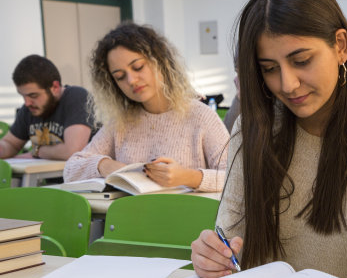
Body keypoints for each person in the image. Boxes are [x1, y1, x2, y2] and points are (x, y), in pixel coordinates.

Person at [191, 0, 347, 278]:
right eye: (269, 69)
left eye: (302, 60)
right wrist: (212, 257)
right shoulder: (255, 128)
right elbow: (231, 243)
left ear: (340, 46)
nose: (287, 84)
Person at [63, 22, 229, 192]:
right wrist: (105, 165)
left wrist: (188, 177)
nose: (131, 80)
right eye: (120, 77)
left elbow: (236, 178)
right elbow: (70, 169)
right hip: (133, 216)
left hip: (186, 216)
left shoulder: (200, 116)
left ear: (160, 62)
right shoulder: (121, 122)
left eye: (138, 67)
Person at [0, 55, 93, 160]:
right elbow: (10, 144)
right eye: (23, 96)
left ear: (55, 87)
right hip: (44, 175)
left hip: (85, 176)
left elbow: (72, 151)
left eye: (33, 95)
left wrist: (38, 151)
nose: (27, 103)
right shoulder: (29, 109)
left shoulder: (76, 97)